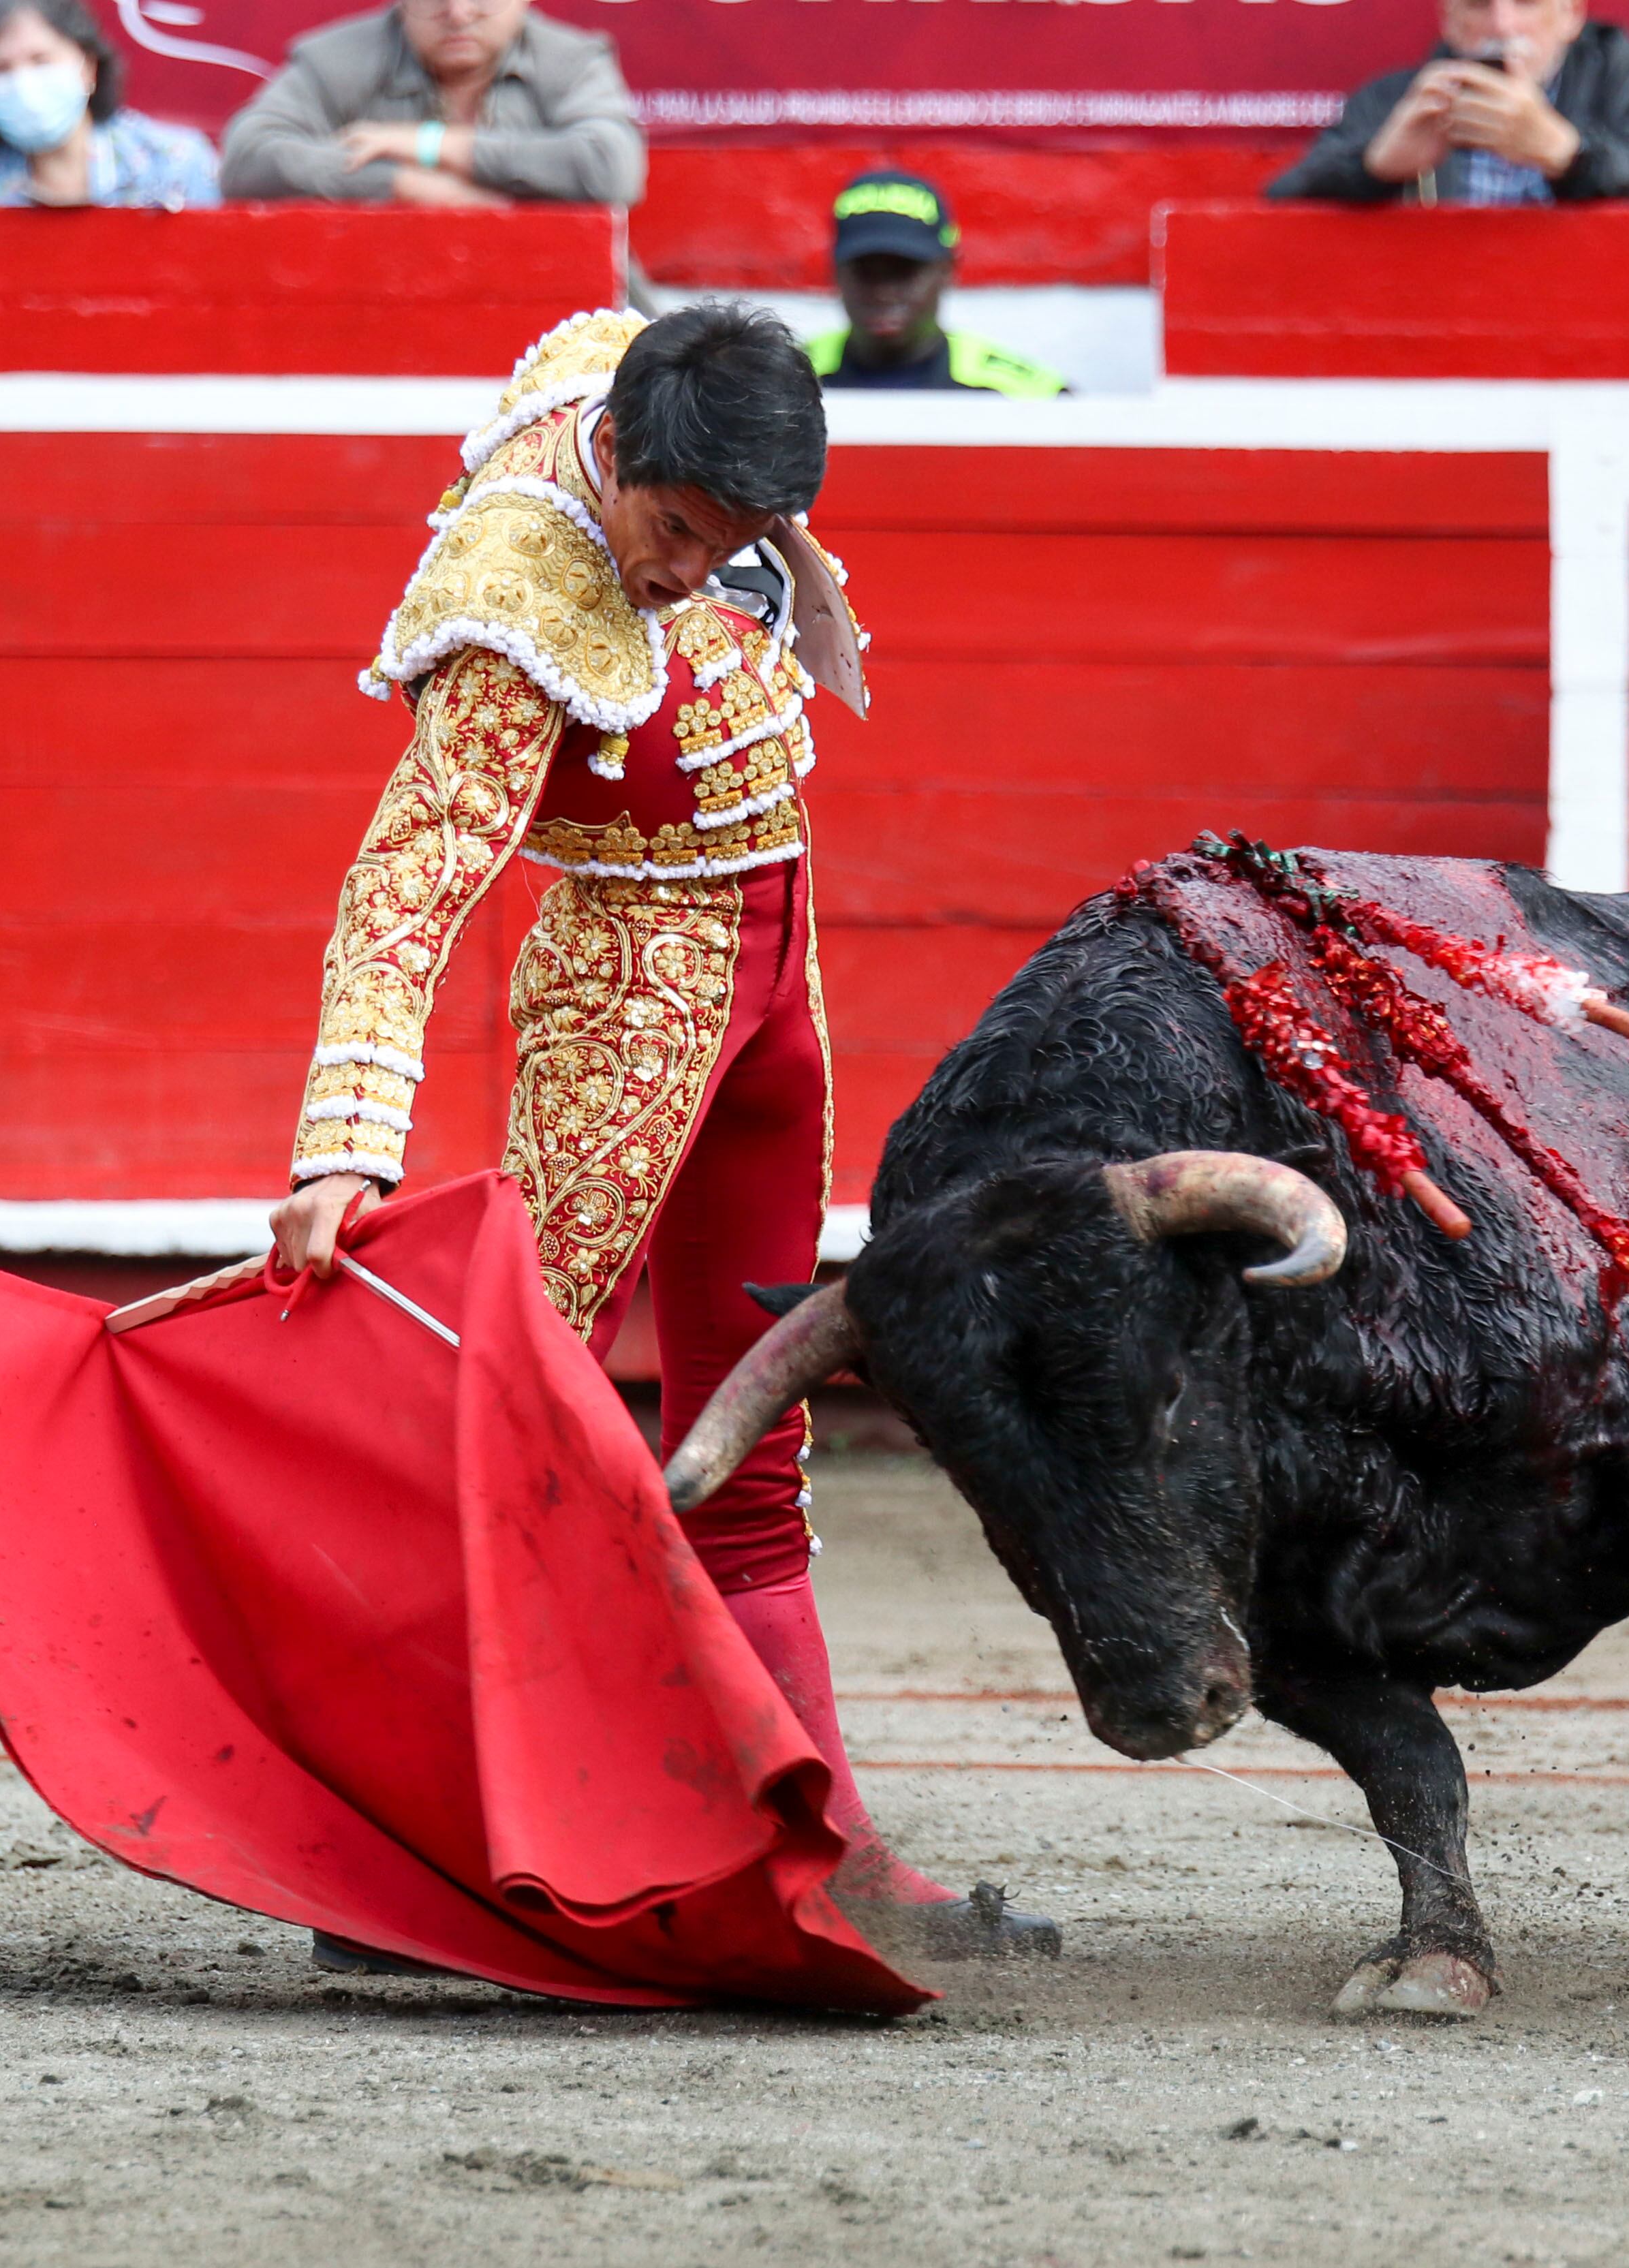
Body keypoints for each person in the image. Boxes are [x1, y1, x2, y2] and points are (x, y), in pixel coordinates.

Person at [267, 302, 1054, 1966]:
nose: (702, 570)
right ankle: (431, 1849)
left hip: (780, 990)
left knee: (755, 1428)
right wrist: (346, 1135)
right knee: (528, 1428)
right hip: (627, 1000)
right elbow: (407, 879)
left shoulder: (667, 391)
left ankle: (817, 1841)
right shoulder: (516, 599)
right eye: (680, 534)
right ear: (614, 460)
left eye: (743, 538)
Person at [1266, 0, 1629, 205]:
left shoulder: (1621, 80)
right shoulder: (1395, 98)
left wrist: (1569, 154)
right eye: (1478, 5)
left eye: (1526, 2)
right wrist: (1373, 168)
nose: (1502, 23)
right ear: (1449, 21)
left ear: (1571, 15)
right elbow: (1284, 201)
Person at [218, 0, 640, 208]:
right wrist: (406, 185)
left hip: (566, 314)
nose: (457, 13)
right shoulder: (339, 57)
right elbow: (246, 158)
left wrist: (431, 144)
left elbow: (614, 168)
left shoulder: (572, 60)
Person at [803, 172, 1065, 398]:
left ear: (947, 271)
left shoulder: (1020, 397)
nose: (883, 292)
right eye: (865, 271)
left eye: (904, 271)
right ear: (835, 273)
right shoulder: (787, 382)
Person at [0, 0, 218, 209]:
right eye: (1, 69)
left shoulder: (172, 163)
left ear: (88, 68)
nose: (24, 83)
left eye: (41, 60)